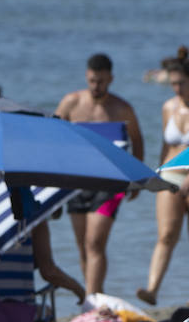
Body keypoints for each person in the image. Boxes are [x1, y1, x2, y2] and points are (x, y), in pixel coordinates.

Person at [137, 47, 189, 307]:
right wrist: (157, 174)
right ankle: (152, 288)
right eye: (173, 84)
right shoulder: (168, 107)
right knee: (166, 234)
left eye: (181, 83)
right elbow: (166, 146)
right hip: (171, 175)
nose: (176, 89)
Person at [54, 53, 144, 296]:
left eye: (102, 81)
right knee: (83, 246)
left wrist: (136, 178)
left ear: (111, 79)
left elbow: (137, 140)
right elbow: (52, 137)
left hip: (110, 183)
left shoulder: (121, 108)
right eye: (93, 81)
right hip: (76, 181)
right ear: (87, 76)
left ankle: (91, 299)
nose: (96, 86)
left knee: (95, 243)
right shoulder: (71, 103)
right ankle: (94, 297)